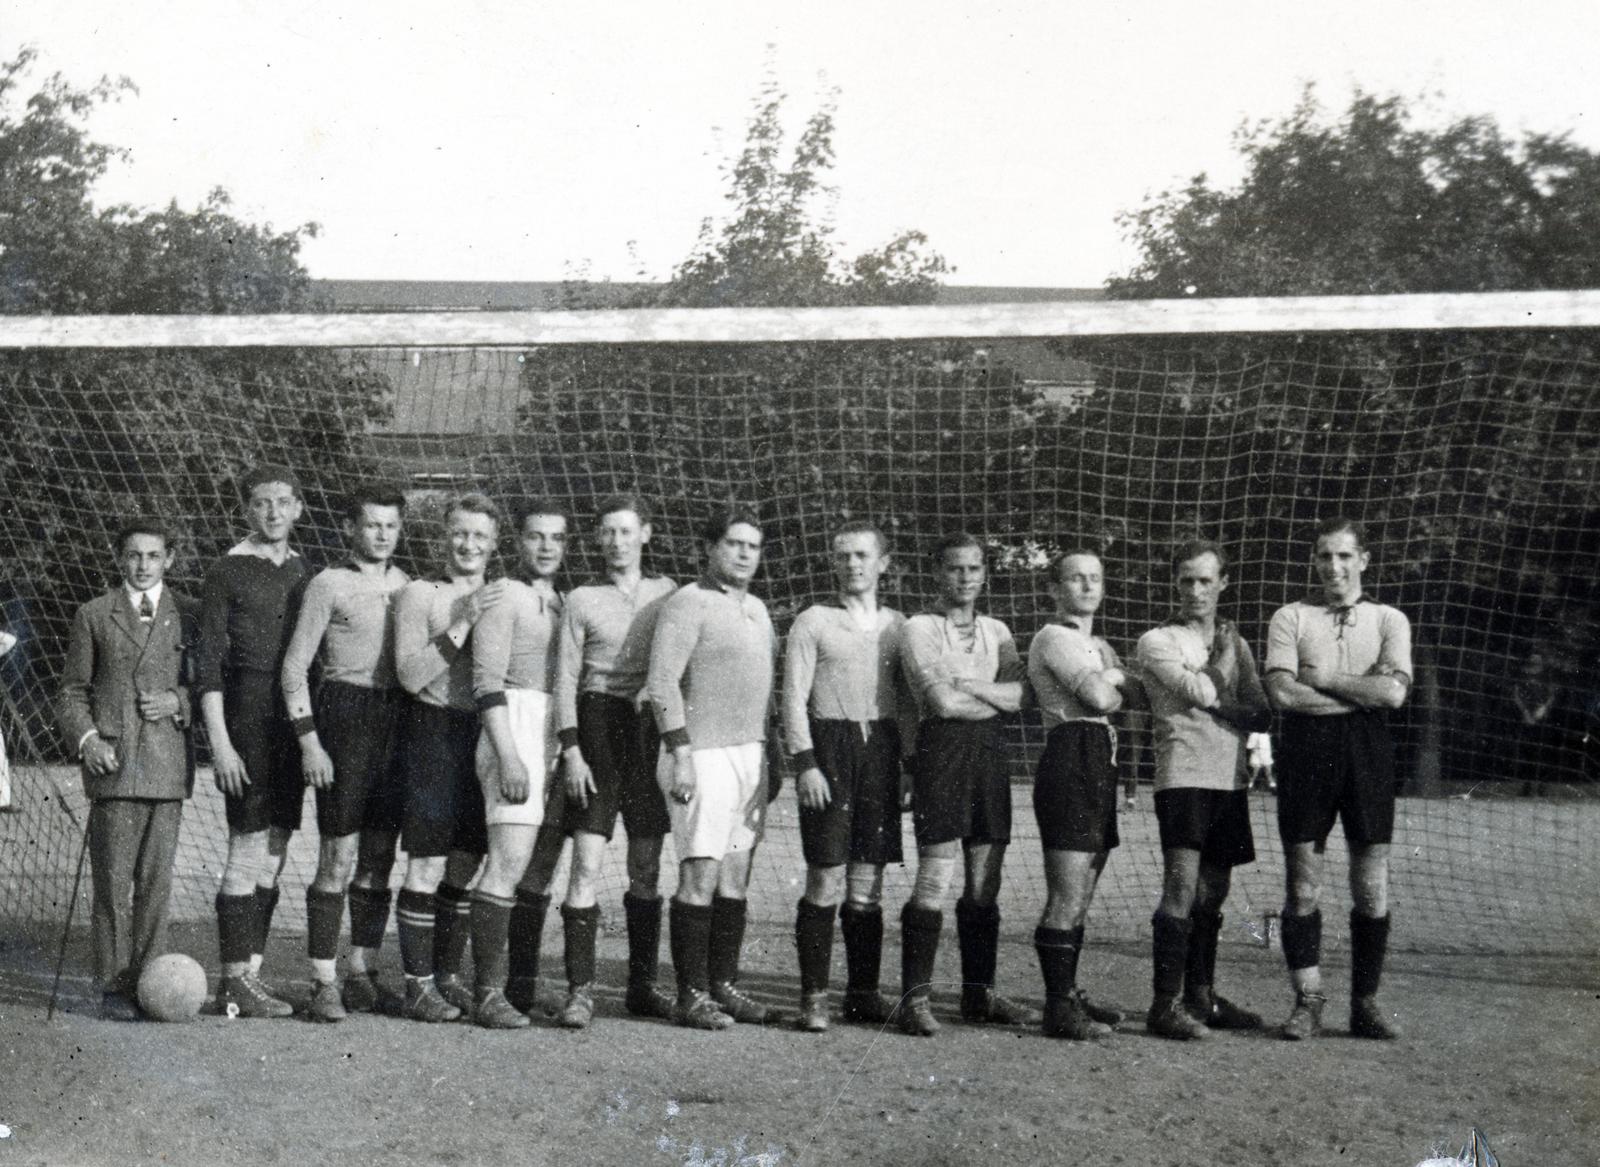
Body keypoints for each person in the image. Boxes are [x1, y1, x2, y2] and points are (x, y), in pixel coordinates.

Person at [1264, 517, 1411, 1041]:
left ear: (1364, 560)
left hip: (1368, 755)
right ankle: (1308, 1000)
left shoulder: (1390, 619)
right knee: (1303, 884)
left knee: (1371, 886)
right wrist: (1362, 690)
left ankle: (1365, 1004)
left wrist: (1322, 679)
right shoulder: (1291, 617)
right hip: (1307, 754)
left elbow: (1394, 695)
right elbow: (1282, 694)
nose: (1334, 567)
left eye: (1345, 556)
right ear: (1314, 560)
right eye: (1325, 556)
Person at [647, 511, 782, 1030]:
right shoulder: (687, 602)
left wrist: (768, 757)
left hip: (748, 755)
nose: (745, 553)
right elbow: (662, 684)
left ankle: (724, 984)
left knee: (735, 876)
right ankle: (692, 994)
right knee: (699, 872)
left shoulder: (759, 609)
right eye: (734, 543)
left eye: (754, 545)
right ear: (709, 547)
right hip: (699, 755)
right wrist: (680, 753)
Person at [279, 485, 410, 1022]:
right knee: (338, 856)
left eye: (390, 526)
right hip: (344, 721)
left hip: (396, 724)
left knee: (380, 858)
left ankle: (362, 972)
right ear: (350, 528)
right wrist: (310, 740)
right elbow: (294, 670)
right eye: (371, 525)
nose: (381, 534)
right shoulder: (326, 584)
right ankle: (322, 980)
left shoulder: (409, 587)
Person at [58, 519, 197, 1019]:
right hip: (113, 766)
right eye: (134, 556)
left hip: (165, 766)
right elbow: (72, 692)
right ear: (119, 559)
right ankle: (114, 985)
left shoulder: (189, 614)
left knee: (156, 885)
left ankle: (150, 984)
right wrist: (88, 739)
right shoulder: (93, 614)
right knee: (113, 882)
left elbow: (207, 689)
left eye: (153, 556)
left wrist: (176, 700)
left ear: (170, 560)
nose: (143, 565)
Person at [896, 532, 1034, 1038]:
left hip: (992, 757)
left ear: (985, 573)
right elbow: (942, 705)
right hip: (942, 754)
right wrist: (990, 696)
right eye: (955, 568)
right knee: (935, 874)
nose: (965, 577)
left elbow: (1022, 696)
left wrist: (971, 686)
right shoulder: (919, 628)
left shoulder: (997, 631)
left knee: (985, 881)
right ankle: (915, 999)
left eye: (974, 568)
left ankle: (980, 995)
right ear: (936, 571)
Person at [549, 495, 678, 1025]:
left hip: (648, 730)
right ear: (598, 540)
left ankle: (642, 986)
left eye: (627, 532)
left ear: (645, 534)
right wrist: (572, 749)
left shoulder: (668, 595)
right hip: (597, 725)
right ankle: (580, 991)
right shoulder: (581, 598)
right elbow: (564, 680)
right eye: (608, 533)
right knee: (585, 862)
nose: (617, 542)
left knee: (646, 866)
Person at [1136, 540, 1272, 1040]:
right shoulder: (1159, 641)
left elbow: (1261, 712)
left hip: (1229, 778)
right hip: (1184, 775)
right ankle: (1163, 1004)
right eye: (1186, 580)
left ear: (1222, 583)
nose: (1195, 590)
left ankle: (1201, 997)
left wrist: (1223, 704)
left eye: (1205, 580)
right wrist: (1218, 667)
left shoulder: (1240, 643)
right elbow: (1203, 693)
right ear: (1175, 584)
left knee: (1212, 896)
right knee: (1180, 888)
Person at [783, 521, 914, 1032]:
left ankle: (862, 994)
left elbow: (904, 702)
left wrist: (906, 764)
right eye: (842, 556)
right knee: (824, 874)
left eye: (862, 555)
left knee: (869, 883)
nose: (852, 564)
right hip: (829, 749)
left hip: (880, 751)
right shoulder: (813, 620)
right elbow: (792, 697)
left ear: (883, 562)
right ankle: (814, 995)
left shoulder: (900, 626)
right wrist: (805, 762)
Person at [198, 466, 312, 1019]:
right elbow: (208, 666)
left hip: (290, 723)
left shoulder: (302, 570)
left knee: (275, 849)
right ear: (248, 510)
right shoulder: (227, 569)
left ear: (297, 509)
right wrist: (220, 744)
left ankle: (253, 977)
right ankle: (230, 981)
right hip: (245, 718)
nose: (272, 512)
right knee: (246, 846)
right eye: (262, 503)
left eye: (282, 502)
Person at [392, 494, 504, 1022]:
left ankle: (447, 976)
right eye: (460, 534)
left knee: (466, 861)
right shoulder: (421, 593)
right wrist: (462, 624)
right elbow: (411, 676)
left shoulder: (504, 596)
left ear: (494, 543)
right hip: (432, 732)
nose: (469, 545)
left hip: (485, 734)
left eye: (480, 537)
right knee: (427, 861)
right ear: (444, 537)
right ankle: (416, 984)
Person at [466, 501, 571, 1029]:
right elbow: (486, 683)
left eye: (556, 537)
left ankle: (519, 986)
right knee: (507, 863)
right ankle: (486, 994)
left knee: (538, 869)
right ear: (519, 542)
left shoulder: (562, 602)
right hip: (516, 726)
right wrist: (509, 754)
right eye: (536, 536)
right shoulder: (505, 595)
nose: (546, 546)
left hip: (555, 728)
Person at [1027, 549, 1136, 1040]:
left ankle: (1069, 993)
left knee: (1085, 893)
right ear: (1055, 589)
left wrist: (1112, 681)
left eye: (1095, 578)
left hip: (1099, 759)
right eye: (1075, 579)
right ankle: (1057, 1008)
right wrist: (1112, 679)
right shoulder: (1054, 637)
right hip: (1070, 754)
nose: (1088, 587)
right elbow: (1100, 698)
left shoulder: (1098, 644)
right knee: (1067, 895)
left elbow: (1124, 691)